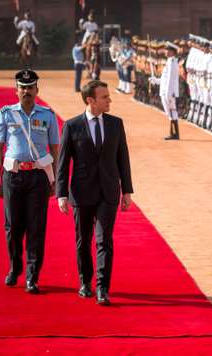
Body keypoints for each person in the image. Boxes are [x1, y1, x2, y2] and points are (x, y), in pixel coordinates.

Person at [56, 80, 133, 305]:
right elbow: (63, 164)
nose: (109, 100)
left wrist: (126, 191)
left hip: (108, 191)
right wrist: (61, 195)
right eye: (105, 97)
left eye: (108, 96)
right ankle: (84, 282)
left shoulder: (116, 124)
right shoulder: (72, 126)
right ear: (90, 100)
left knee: (104, 240)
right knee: (83, 240)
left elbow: (123, 159)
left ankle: (102, 288)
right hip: (81, 193)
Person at [0, 69, 59, 294]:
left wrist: (56, 179)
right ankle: (15, 267)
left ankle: (32, 276)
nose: (26, 91)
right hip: (13, 176)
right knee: (12, 226)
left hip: (38, 177)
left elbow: (55, 149)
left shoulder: (48, 115)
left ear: (37, 90)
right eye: (22, 88)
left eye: (30, 88)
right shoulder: (5, 114)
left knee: (36, 227)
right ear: (16, 91)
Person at [159, 42, 180, 140]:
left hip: (169, 91)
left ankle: (175, 134)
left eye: (167, 50)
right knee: (170, 112)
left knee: (172, 112)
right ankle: (173, 133)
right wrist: (156, 80)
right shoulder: (169, 61)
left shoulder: (172, 62)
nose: (165, 51)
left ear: (172, 52)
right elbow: (165, 78)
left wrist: (168, 92)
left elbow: (171, 79)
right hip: (166, 90)